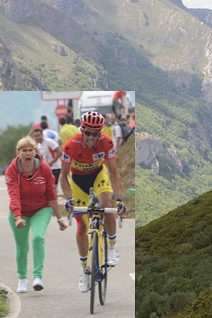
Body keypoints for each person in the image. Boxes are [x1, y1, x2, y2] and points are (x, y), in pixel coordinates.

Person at [59, 111, 126, 293]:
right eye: (87, 133)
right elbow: (63, 177)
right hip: (78, 180)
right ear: (82, 130)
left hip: (98, 174)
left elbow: (114, 173)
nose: (90, 137)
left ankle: (112, 247)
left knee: (106, 205)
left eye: (94, 134)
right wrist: (69, 199)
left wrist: (119, 199)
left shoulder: (106, 142)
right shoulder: (71, 145)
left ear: (100, 133)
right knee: (81, 225)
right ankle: (84, 271)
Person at [4, 137, 68, 293]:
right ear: (18, 153)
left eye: (30, 150)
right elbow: (14, 195)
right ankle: (22, 279)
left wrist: (60, 218)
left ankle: (38, 277)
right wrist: (17, 217)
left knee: (38, 237)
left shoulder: (44, 168)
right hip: (19, 212)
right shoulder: (12, 171)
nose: (27, 153)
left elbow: (51, 194)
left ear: (35, 152)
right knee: (22, 248)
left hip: (41, 209)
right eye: (24, 150)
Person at [33, 128, 63, 194]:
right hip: (46, 168)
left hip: (55, 167)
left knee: (53, 187)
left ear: (42, 135)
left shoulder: (49, 142)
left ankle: (55, 199)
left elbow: (59, 152)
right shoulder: (38, 146)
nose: (37, 138)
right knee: (47, 187)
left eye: (39, 135)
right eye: (36, 136)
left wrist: (51, 162)